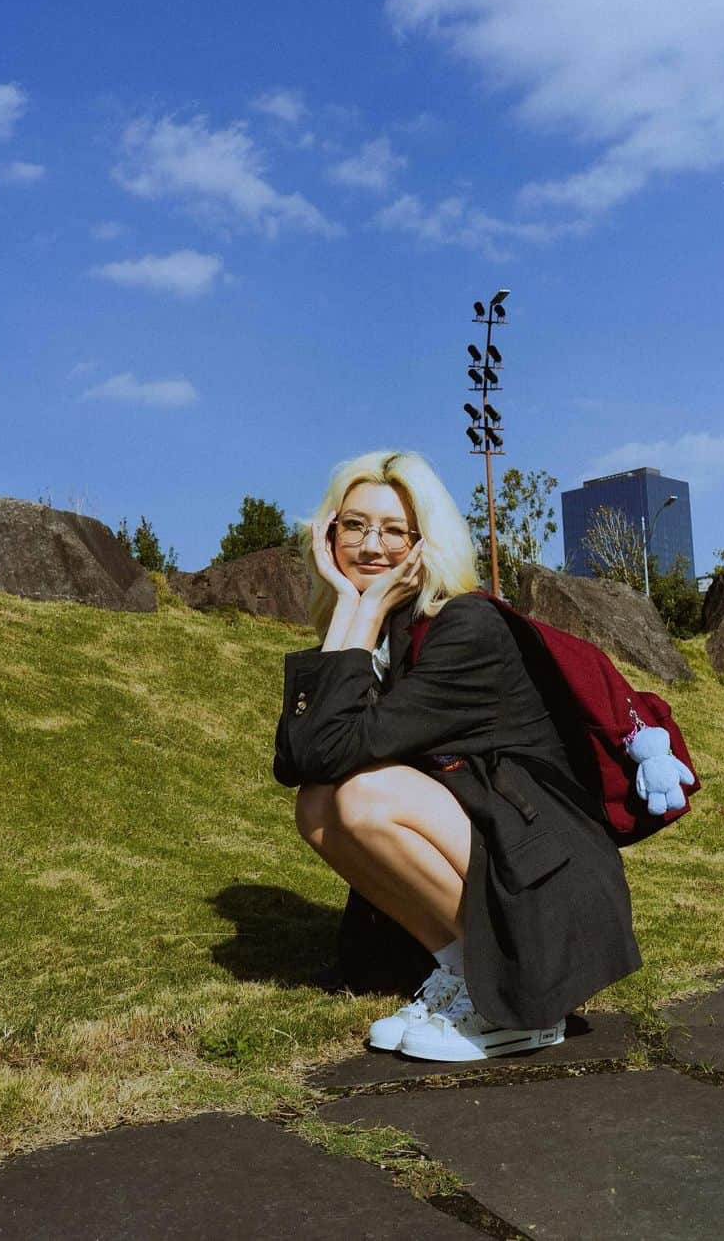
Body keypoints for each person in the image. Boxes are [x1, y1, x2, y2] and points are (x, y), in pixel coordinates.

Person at [273, 449, 641, 1061]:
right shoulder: (385, 626)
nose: (370, 546)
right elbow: (301, 763)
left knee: (362, 796)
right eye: (355, 525)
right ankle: (462, 974)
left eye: (394, 531)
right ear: (328, 533)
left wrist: (359, 611)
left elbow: (334, 749)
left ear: (425, 544)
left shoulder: (465, 628)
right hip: (498, 846)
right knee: (316, 807)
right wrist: (350, 607)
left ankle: (521, 1004)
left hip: (548, 876)